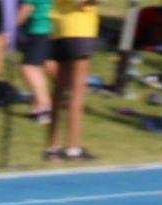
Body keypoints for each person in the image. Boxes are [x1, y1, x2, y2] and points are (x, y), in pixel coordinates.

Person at [45, 0, 98, 159]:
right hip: (79, 29)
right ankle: (73, 147)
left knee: (59, 89)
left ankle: (52, 146)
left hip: (59, 28)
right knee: (77, 90)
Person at [14, 1, 56, 122]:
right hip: (50, 29)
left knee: (28, 68)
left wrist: (10, 28)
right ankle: (38, 107)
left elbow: (26, 8)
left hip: (40, 31)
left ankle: (45, 107)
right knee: (38, 68)